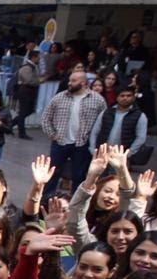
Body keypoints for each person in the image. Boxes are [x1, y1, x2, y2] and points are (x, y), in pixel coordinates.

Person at [40, 69, 108, 203]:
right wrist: (52, 135)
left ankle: (77, 203)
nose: (69, 83)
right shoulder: (59, 97)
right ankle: (46, 200)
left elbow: (104, 122)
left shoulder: (98, 100)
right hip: (60, 142)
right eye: (70, 80)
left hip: (82, 144)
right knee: (53, 173)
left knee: (79, 174)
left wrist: (95, 141)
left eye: (73, 81)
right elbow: (45, 118)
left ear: (83, 82)